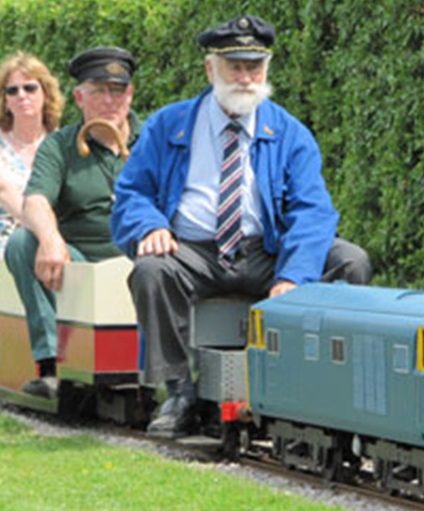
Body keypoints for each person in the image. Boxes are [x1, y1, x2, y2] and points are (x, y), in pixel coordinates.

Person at [110, 15, 372, 437]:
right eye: (235, 67)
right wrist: (148, 226)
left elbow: (313, 210)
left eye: (255, 67)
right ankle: (178, 392)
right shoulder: (168, 124)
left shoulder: (290, 133)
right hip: (191, 251)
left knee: (350, 261)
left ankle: (325, 390)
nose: (246, 78)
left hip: (265, 251)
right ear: (211, 70)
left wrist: (293, 274)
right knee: (151, 270)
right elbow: (131, 193)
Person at [4, 46, 143, 398]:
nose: (109, 100)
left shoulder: (155, 140)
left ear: (130, 94)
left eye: (117, 90)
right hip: (80, 265)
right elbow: (34, 200)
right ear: (80, 97)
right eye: (98, 91)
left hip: (146, 260)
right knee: (23, 242)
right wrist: (50, 239)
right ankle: (53, 366)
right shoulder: (60, 146)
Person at [0, 51, 65, 333]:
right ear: (5, 100)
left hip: (56, 236)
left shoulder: (63, 142)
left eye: (30, 87)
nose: (22, 95)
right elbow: (2, 190)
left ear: (46, 93)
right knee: (21, 252)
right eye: (12, 90)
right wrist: (46, 234)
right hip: (1, 238)